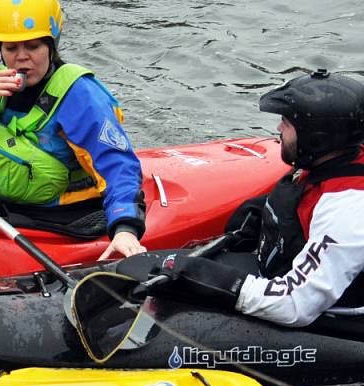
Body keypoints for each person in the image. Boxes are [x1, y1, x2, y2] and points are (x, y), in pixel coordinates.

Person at [0, 0, 146, 260]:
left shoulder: (79, 94)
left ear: (52, 45)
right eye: (11, 47)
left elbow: (117, 164)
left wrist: (125, 227)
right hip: (8, 203)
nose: (21, 57)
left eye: (33, 46)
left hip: (67, 216)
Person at [133, 69, 364, 327]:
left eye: (286, 123)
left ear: (317, 139)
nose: (278, 128)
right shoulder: (333, 159)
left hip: (323, 319)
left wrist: (216, 280)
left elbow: (294, 305)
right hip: (280, 277)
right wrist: (265, 215)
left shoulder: (348, 211)